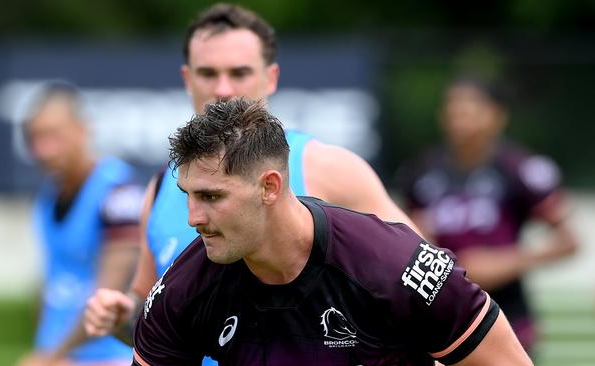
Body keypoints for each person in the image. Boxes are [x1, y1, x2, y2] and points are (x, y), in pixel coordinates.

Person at [83, 2, 420, 356]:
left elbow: (421, 282)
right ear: (187, 79)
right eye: (209, 73)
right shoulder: (163, 187)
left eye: (239, 72)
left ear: (271, 77)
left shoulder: (326, 166)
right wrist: (121, 316)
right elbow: (154, 312)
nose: (224, 89)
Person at [130, 98, 532, 365]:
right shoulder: (182, 291)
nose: (192, 217)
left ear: (269, 187)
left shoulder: (396, 265)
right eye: (188, 195)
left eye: (212, 196)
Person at [397, 74, 579, 355]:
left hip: (508, 315)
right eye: (453, 110)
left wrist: (503, 262)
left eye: (470, 111)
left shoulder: (521, 170)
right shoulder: (419, 171)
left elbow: (569, 241)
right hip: (440, 316)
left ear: (497, 116)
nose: (460, 120)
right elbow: (403, 237)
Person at [17, 82, 143, 366]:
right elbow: (49, 280)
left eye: (52, 136)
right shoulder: (47, 197)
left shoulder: (117, 192)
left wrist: (53, 356)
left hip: (109, 355)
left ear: (82, 129)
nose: (43, 150)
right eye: (35, 139)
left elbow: (108, 293)